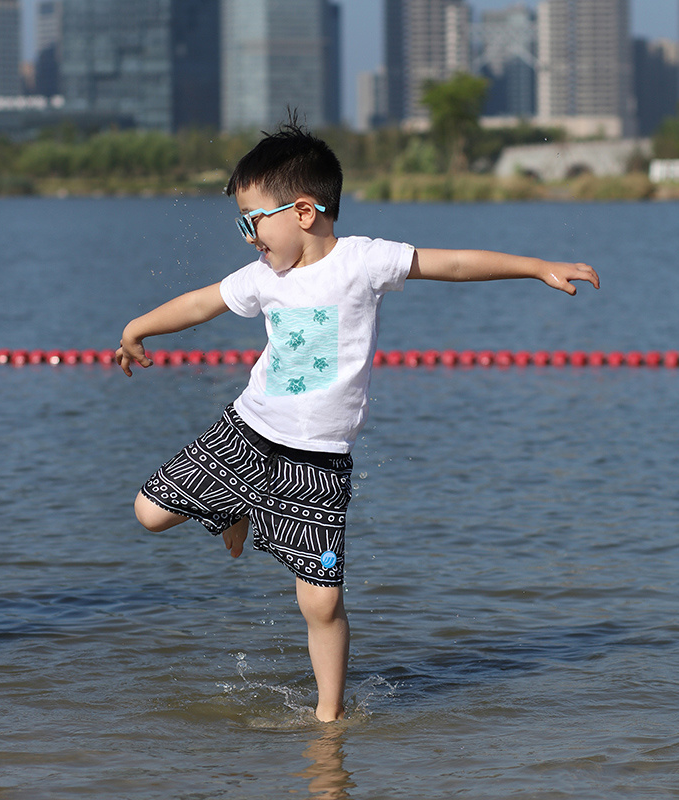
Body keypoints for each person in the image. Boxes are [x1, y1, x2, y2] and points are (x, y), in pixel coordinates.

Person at [115, 119, 599, 723]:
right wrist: (138, 328)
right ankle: (234, 508)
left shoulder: (363, 262)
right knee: (148, 512)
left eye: (251, 221)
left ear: (303, 212)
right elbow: (200, 303)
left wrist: (535, 266)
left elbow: (449, 265)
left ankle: (328, 720)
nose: (246, 238)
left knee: (320, 604)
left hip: (315, 466)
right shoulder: (265, 277)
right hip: (244, 434)